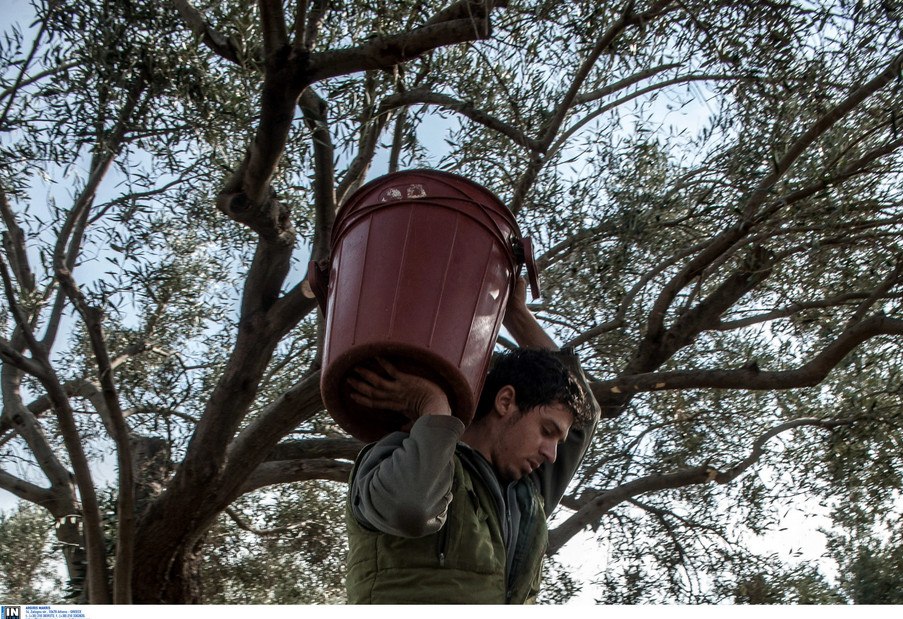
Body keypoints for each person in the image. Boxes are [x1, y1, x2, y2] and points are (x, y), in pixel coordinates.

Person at [344, 278, 601, 604]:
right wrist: (433, 405)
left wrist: (516, 314)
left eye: (557, 441)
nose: (552, 454)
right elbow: (411, 508)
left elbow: (585, 417)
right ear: (505, 402)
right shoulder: (393, 456)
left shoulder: (527, 498)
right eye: (547, 431)